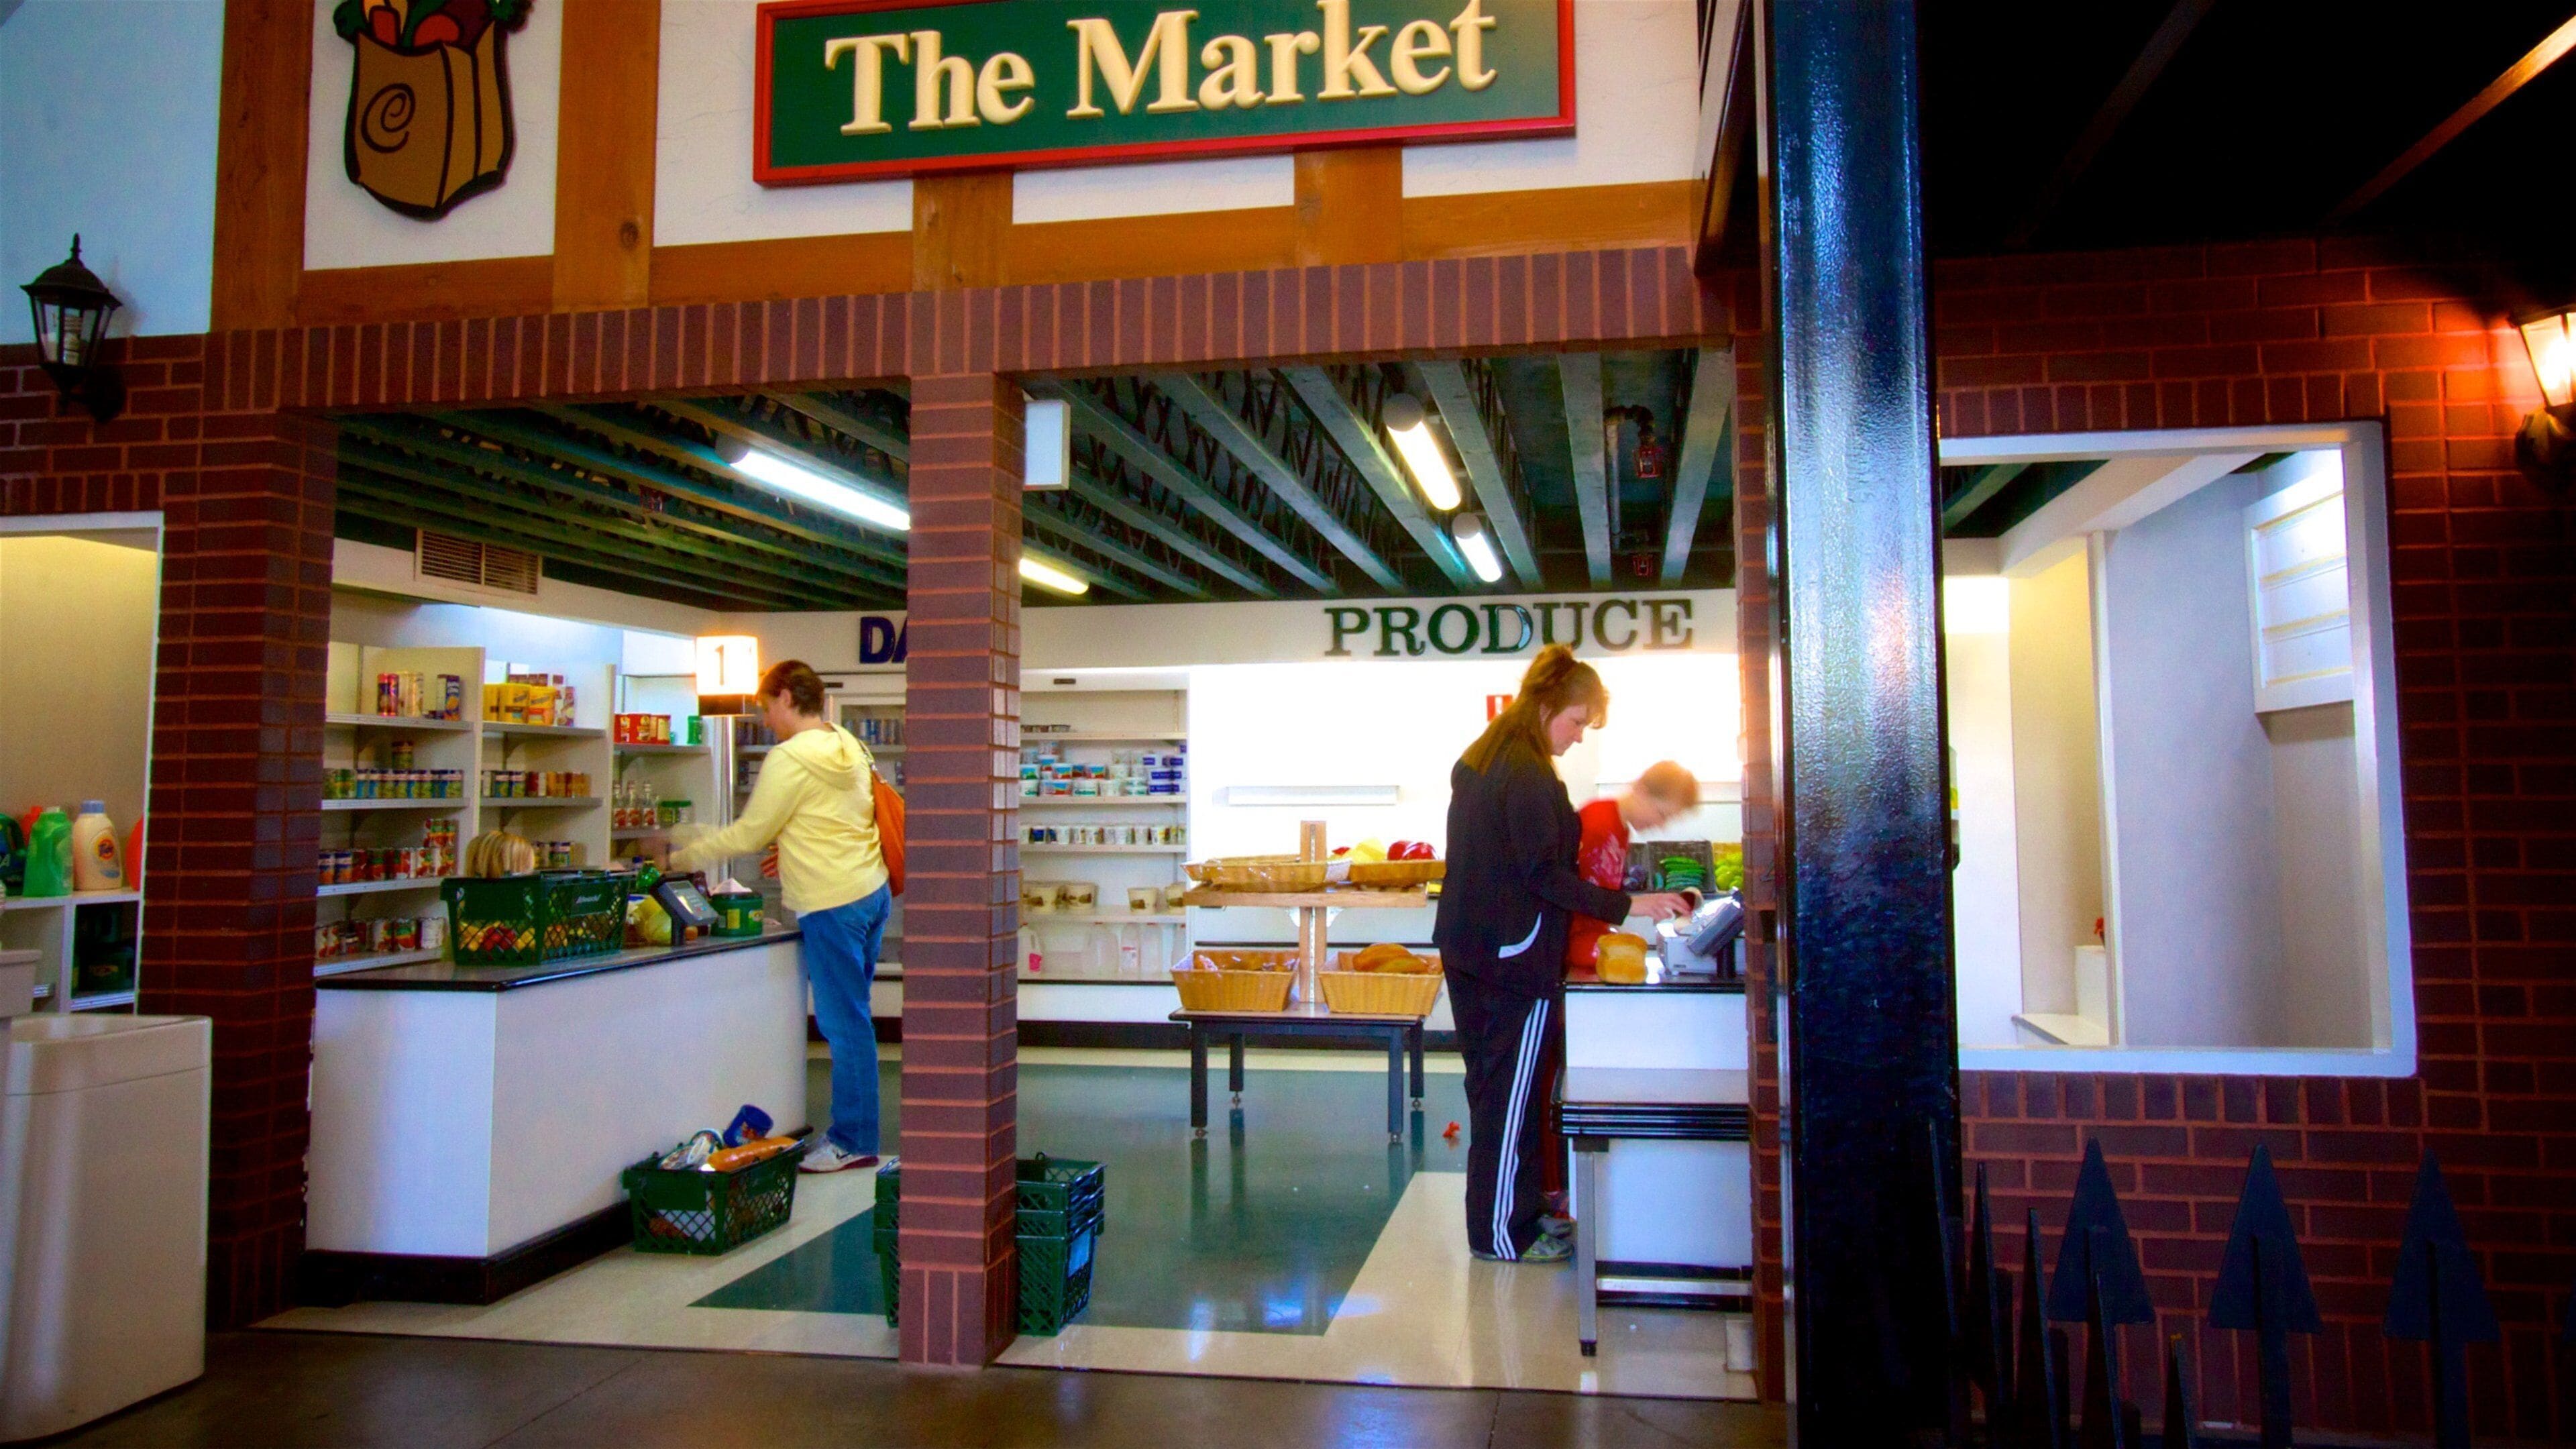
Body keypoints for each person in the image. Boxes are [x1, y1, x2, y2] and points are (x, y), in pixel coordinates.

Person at [1433, 646, 1691, 1263]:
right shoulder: (1521, 770)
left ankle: (1521, 1215)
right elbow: (1542, 875)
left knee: (1505, 1095)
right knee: (1505, 1100)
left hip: (1481, 952)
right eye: (1576, 722)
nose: (1577, 738)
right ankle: (1502, 1235)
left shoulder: (1492, 755)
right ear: (1547, 705)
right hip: (1509, 961)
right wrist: (1633, 907)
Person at [671, 659, 890, 1175]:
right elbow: (834, 822)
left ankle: (853, 1140)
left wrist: (678, 858)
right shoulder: (850, 745)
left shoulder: (789, 758)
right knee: (856, 1020)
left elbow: (748, 835)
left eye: (768, 707)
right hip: (871, 892)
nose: (766, 720)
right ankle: (858, 1134)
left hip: (831, 902)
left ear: (788, 698)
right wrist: (790, 848)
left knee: (844, 1026)